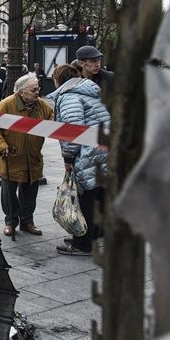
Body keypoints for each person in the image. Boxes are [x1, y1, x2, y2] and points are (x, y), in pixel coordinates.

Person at [47, 63, 110, 256]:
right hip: (103, 150)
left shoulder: (69, 97)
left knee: (84, 198)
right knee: (96, 195)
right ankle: (91, 236)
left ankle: (82, 244)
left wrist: (68, 157)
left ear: (58, 80)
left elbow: (72, 131)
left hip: (88, 153)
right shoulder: (91, 92)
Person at [0, 73, 54, 237]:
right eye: (33, 89)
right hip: (11, 157)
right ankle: (10, 222)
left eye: (38, 88)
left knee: (30, 192)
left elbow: (52, 119)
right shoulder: (6, 105)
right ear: (21, 91)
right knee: (9, 193)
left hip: (33, 157)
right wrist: (1, 146)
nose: (37, 92)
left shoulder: (41, 105)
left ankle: (27, 222)